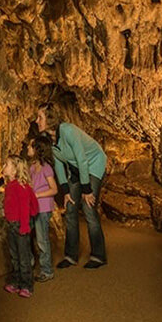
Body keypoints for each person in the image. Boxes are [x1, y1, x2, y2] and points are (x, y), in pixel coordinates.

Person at [35, 103, 108, 269]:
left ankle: (98, 255)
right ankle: (71, 255)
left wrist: (87, 190)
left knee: (88, 208)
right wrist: (66, 191)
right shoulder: (49, 139)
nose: (36, 120)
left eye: (40, 117)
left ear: (50, 119)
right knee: (70, 209)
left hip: (93, 164)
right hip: (76, 169)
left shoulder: (68, 131)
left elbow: (82, 159)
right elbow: (59, 164)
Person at [2, 155, 39, 298]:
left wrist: (25, 225)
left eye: (6, 164)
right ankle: (16, 282)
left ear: (14, 170)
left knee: (23, 257)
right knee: (14, 256)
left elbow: (26, 207)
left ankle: (27, 285)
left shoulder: (20, 186)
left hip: (20, 225)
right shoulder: (10, 186)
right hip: (12, 225)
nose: (3, 166)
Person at [27, 135, 58, 282]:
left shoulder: (46, 168)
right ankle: (30, 264)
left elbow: (54, 189)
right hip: (33, 208)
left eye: (30, 146)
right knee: (29, 237)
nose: (27, 148)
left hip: (44, 208)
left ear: (38, 149)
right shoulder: (32, 167)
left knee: (42, 240)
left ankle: (47, 270)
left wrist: (37, 194)